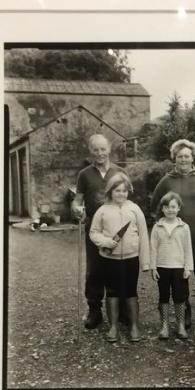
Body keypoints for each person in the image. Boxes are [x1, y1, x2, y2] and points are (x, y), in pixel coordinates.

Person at [150, 139, 195, 330]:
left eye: (187, 156)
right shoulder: (167, 180)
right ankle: (186, 314)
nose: (183, 159)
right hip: (176, 242)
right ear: (175, 158)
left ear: (193, 157)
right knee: (180, 280)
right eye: (180, 156)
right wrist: (163, 230)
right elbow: (155, 206)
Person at [88, 172, 150, 342]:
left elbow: (144, 235)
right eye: (117, 191)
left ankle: (134, 325)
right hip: (109, 260)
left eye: (124, 190)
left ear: (128, 191)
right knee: (112, 292)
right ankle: (113, 326)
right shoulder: (103, 210)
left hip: (131, 258)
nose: (121, 194)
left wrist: (145, 262)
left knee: (131, 291)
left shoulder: (135, 209)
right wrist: (105, 242)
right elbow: (93, 232)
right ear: (110, 191)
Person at [73, 134, 124, 329]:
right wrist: (76, 208)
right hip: (93, 228)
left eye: (103, 149)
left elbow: (127, 198)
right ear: (91, 151)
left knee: (117, 267)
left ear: (109, 148)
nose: (100, 153)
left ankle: (119, 309)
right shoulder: (84, 174)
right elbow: (77, 199)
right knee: (94, 269)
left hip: (116, 227)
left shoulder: (120, 172)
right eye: (96, 150)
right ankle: (94, 310)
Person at [150, 191, 194, 340]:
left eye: (173, 207)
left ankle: (180, 325)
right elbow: (153, 248)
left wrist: (188, 267)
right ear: (162, 209)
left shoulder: (184, 227)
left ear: (179, 208)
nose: (170, 210)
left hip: (179, 268)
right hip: (162, 266)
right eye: (167, 206)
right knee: (163, 296)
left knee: (179, 296)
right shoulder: (157, 227)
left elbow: (188, 248)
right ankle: (164, 327)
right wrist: (153, 267)